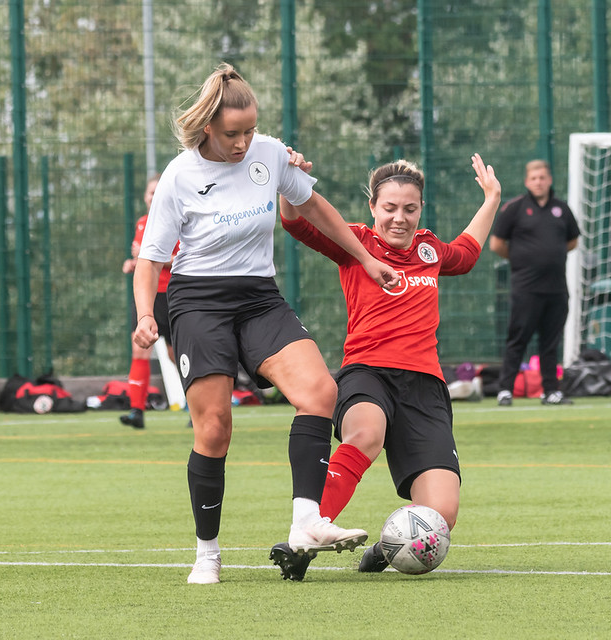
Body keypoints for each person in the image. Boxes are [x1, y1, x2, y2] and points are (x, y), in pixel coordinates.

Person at [132, 62, 400, 585]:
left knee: (321, 392)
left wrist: (365, 259)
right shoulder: (179, 176)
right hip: (199, 302)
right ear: (207, 126)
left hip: (258, 296)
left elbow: (313, 206)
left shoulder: (270, 154)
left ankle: (307, 523)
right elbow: (151, 259)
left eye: (251, 130)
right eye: (233, 133)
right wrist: (146, 316)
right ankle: (207, 553)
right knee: (214, 429)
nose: (243, 142)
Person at [269, 154, 501, 580]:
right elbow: (296, 223)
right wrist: (290, 182)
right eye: (389, 208)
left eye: (409, 209)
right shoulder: (354, 242)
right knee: (365, 434)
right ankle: (305, 535)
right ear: (373, 207)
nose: (399, 218)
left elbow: (466, 256)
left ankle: (387, 547)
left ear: (421, 210)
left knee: (442, 516)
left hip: (425, 387)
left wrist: (491, 198)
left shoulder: (429, 248)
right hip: (367, 372)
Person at [490, 159, 580, 407]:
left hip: (556, 289)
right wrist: (521, 260)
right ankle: (505, 390)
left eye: (542, 177)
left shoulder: (562, 209)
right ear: (527, 181)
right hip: (526, 288)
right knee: (517, 338)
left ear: (549, 180)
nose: (538, 182)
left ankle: (551, 391)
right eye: (534, 178)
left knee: (550, 342)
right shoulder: (514, 208)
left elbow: (573, 241)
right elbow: (496, 244)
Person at [119, 173, 180, 429]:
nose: (153, 197)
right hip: (147, 296)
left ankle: (198, 408)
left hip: (172, 295)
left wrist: (154, 257)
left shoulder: (177, 222)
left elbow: (180, 260)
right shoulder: (142, 223)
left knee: (176, 354)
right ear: (145, 198)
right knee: (139, 347)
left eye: (157, 192)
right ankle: (137, 411)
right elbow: (145, 262)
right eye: (149, 193)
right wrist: (132, 263)